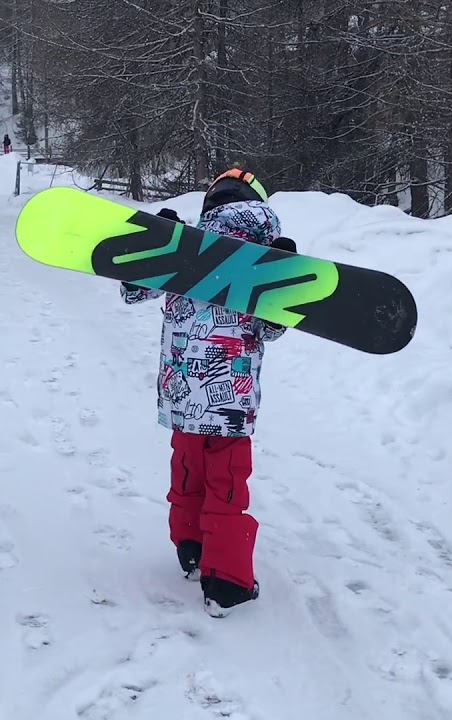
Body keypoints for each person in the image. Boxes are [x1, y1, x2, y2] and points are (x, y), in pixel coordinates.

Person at [120, 167, 296, 618]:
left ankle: (191, 551)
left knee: (187, 474)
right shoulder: (260, 257)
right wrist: (281, 281)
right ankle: (228, 583)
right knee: (226, 487)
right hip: (229, 405)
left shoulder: (184, 249)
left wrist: (150, 243)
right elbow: (271, 328)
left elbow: (131, 289)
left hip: (179, 396)